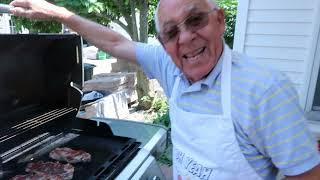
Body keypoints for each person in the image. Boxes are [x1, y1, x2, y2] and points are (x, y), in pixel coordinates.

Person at [9, 0, 320, 179]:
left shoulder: (266, 90)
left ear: (220, 20)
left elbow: (306, 174)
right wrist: (58, 13)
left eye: (196, 20)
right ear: (162, 43)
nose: (185, 38)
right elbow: (114, 42)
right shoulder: (168, 63)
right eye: (171, 32)